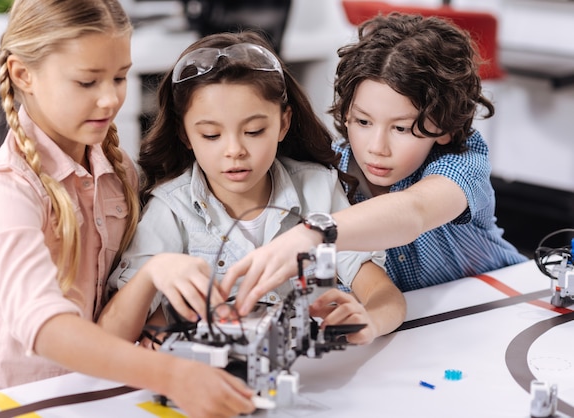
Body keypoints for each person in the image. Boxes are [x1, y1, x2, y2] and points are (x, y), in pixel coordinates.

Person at [0, 1, 256, 416]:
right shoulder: (6, 190)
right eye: (87, 82)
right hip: (15, 400)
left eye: (120, 77)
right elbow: (44, 328)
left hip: (94, 389)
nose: (110, 99)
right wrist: (171, 374)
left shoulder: (116, 169)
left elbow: (114, 300)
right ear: (24, 75)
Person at [100, 31, 406, 348]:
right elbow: (110, 339)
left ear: (283, 124)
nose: (235, 150)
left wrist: (368, 320)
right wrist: (152, 273)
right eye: (211, 135)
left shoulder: (318, 188)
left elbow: (384, 296)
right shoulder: (171, 209)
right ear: (185, 134)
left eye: (254, 131)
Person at [222, 12, 527, 315]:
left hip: (506, 305)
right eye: (363, 121)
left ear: (444, 127)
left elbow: (414, 211)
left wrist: (313, 234)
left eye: (401, 128)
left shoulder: (463, 161)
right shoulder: (324, 174)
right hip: (410, 333)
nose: (377, 148)